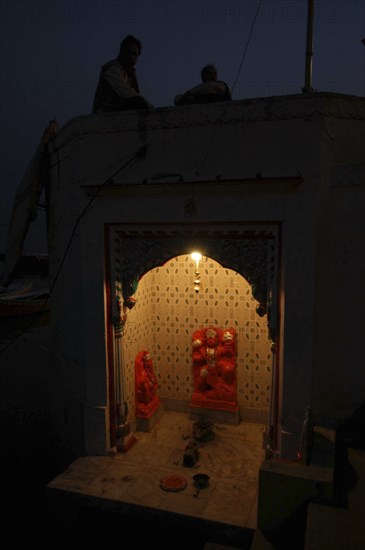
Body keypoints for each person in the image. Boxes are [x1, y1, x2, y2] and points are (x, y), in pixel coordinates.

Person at [92, 35, 153, 113]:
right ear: (121, 51)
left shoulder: (129, 73)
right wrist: (150, 107)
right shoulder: (113, 69)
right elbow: (127, 93)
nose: (131, 56)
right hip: (105, 114)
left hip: (117, 112)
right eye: (128, 52)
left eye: (134, 54)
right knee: (138, 102)